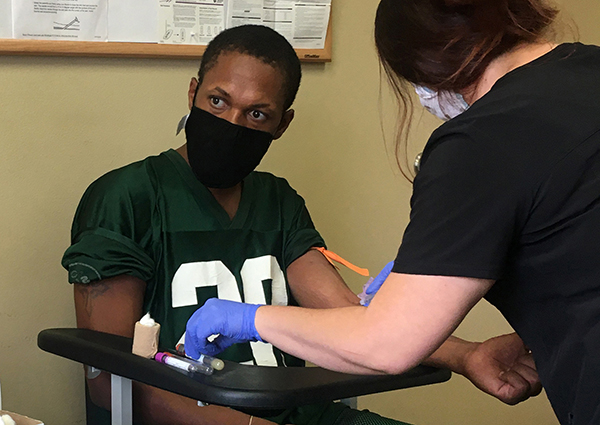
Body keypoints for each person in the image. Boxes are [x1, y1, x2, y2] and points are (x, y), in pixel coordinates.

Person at [184, 1, 600, 424]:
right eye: (218, 100)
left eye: (257, 113)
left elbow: (383, 338)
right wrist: (531, 336)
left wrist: (249, 319)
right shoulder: (589, 70)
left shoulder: (483, 141)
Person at [61, 24, 423, 425]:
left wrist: (467, 355)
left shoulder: (279, 202)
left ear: (281, 125)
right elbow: (109, 381)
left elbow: (354, 322)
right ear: (193, 93)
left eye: (256, 114)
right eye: (217, 101)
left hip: (298, 411)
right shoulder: (126, 198)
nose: (231, 123)